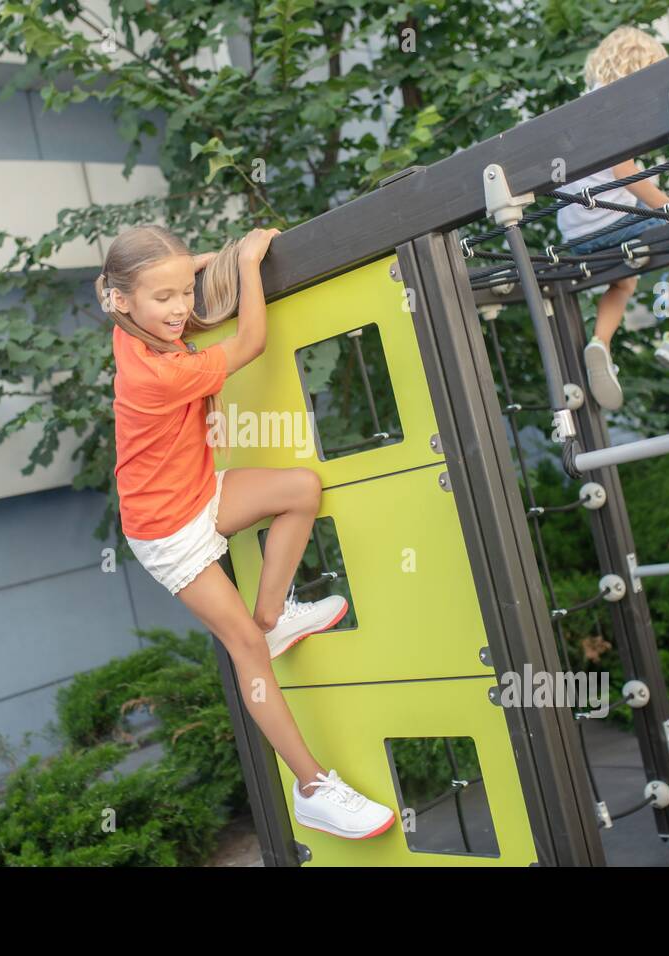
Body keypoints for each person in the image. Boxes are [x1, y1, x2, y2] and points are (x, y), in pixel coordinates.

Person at [99, 224, 396, 840]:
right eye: (166, 298)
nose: (182, 308)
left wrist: (211, 261)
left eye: (186, 290)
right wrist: (250, 262)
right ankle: (313, 787)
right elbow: (253, 340)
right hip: (167, 530)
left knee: (300, 491)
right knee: (246, 654)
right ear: (124, 299)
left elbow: (174, 291)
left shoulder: (133, 322)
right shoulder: (156, 372)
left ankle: (273, 613)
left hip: (196, 491)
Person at [558, 26, 669, 412]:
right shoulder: (617, 104)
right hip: (613, 226)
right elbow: (624, 171)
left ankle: (600, 342)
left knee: (624, 283)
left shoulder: (582, 107)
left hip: (577, 234)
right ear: (643, 67)